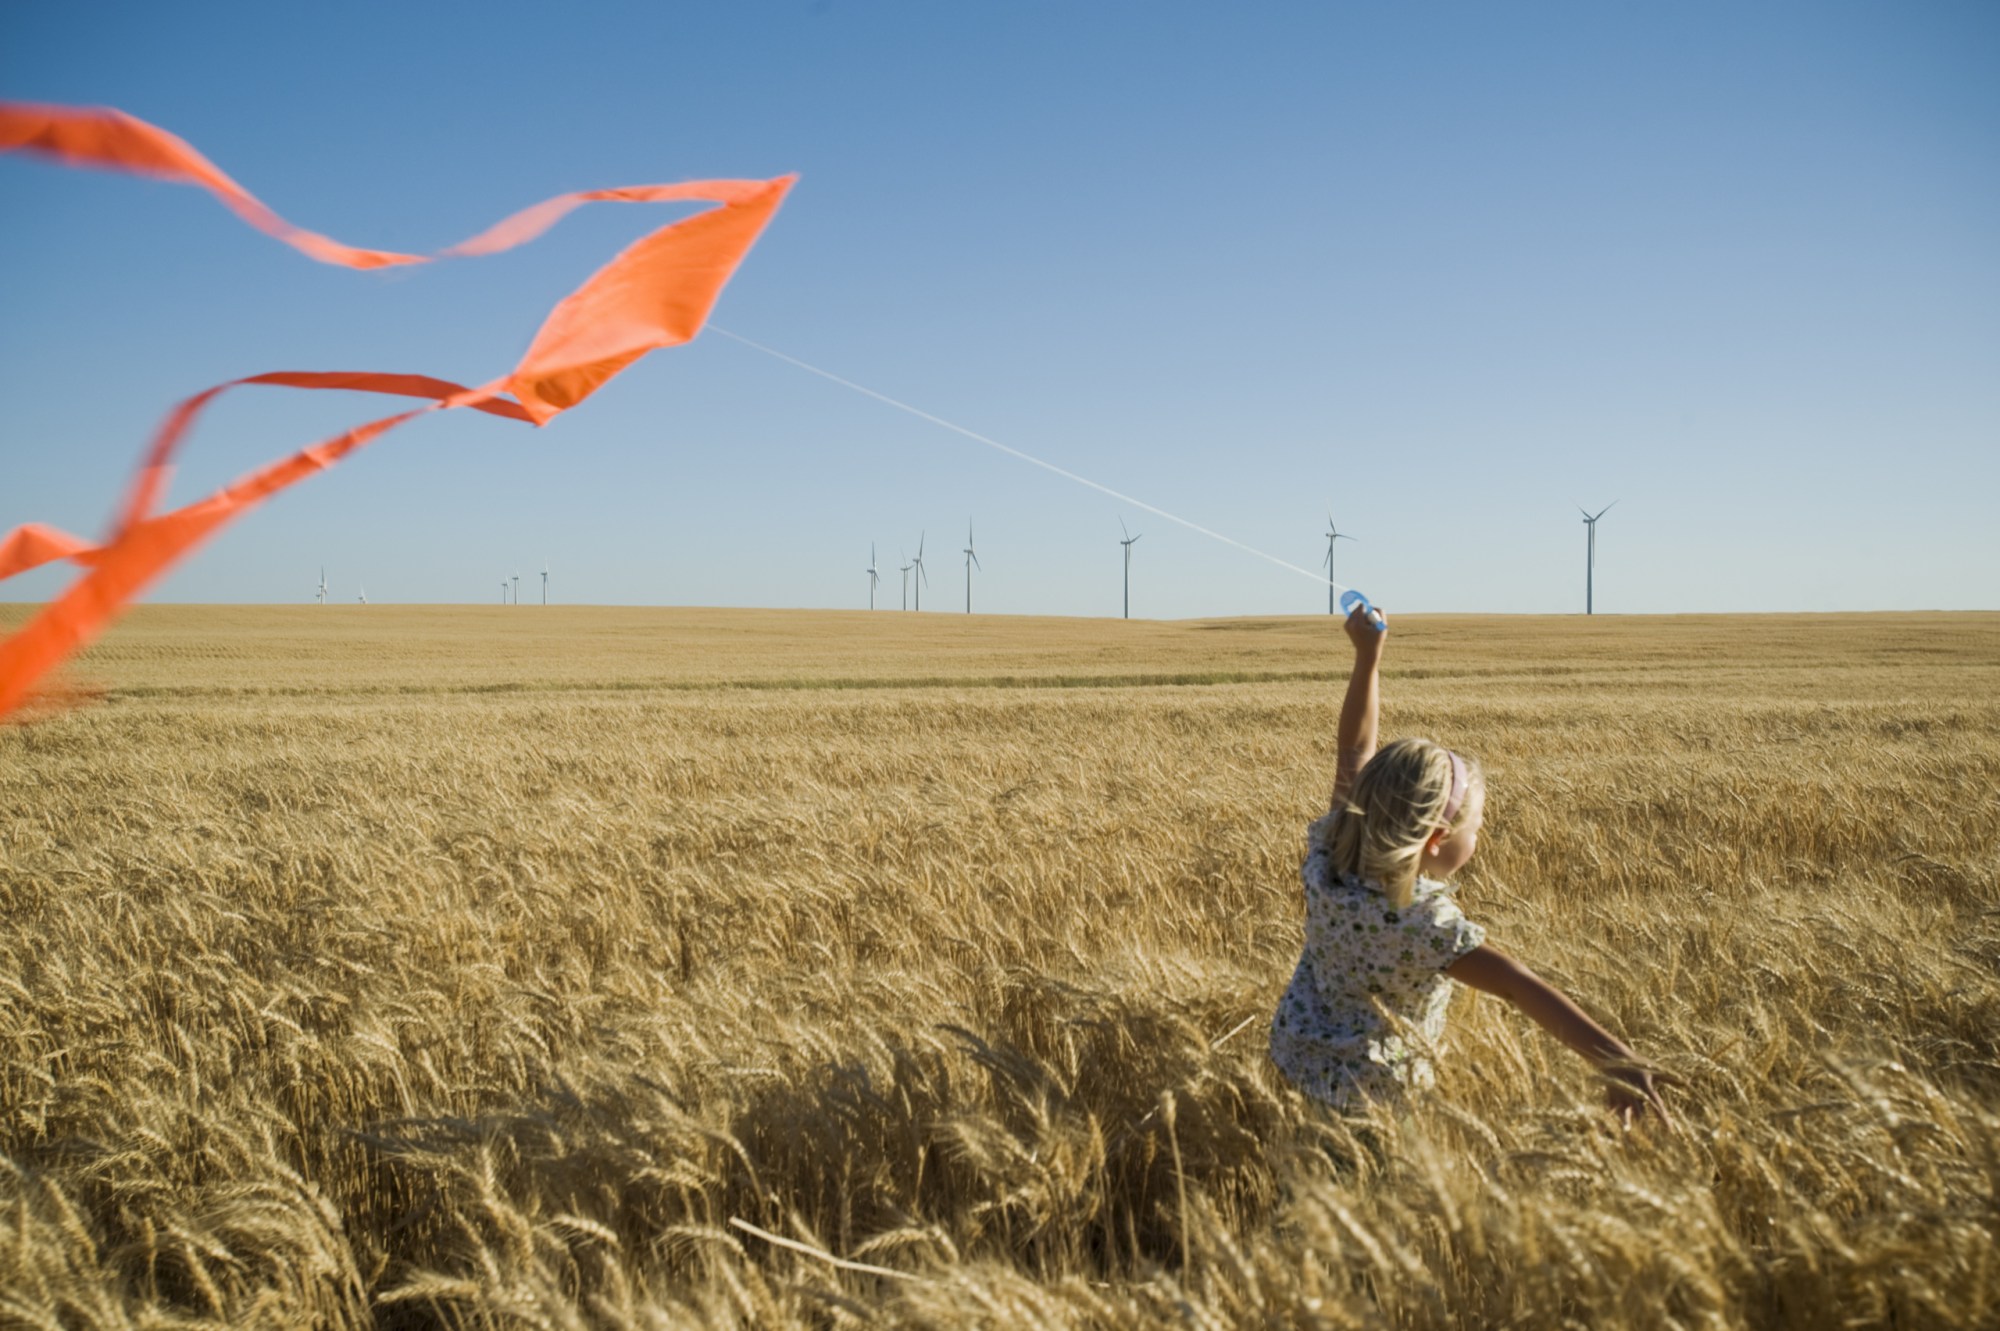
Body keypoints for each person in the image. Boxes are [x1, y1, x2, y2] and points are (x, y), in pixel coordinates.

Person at [1269, 604, 1675, 1129]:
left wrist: (1368, 658)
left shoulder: (1332, 853)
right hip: (1371, 1104)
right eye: (1474, 828)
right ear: (1436, 840)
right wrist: (1614, 1056)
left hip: (1294, 1061)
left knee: (1305, 1190)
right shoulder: (1422, 927)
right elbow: (1515, 983)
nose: (1479, 837)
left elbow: (1354, 750)